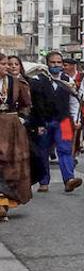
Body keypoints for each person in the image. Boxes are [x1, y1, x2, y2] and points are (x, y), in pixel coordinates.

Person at [27, 52, 82, 193]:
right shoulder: (38, 80)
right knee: (43, 151)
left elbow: (74, 101)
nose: (56, 65)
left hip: (64, 121)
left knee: (65, 150)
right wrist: (37, 124)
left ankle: (69, 179)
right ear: (47, 63)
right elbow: (33, 104)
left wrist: (76, 119)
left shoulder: (67, 80)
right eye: (53, 62)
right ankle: (44, 181)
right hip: (45, 121)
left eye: (59, 62)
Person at [0, 56, 33, 217]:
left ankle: (6, 201)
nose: (6, 67)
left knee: (10, 164)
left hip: (11, 126)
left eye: (8, 64)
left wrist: (20, 119)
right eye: (3, 64)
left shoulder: (16, 83)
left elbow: (26, 105)